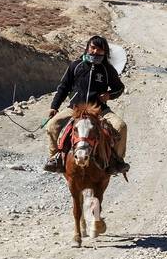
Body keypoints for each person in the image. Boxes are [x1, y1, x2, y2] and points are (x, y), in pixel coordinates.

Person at [44, 35, 129, 174]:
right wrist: (54, 106)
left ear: (105, 52)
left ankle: (117, 161)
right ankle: (55, 158)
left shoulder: (108, 70)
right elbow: (63, 87)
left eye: (100, 49)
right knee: (52, 125)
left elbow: (119, 88)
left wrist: (109, 95)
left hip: (99, 110)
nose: (95, 52)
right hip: (75, 108)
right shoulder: (75, 66)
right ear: (88, 48)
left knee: (121, 126)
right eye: (93, 47)